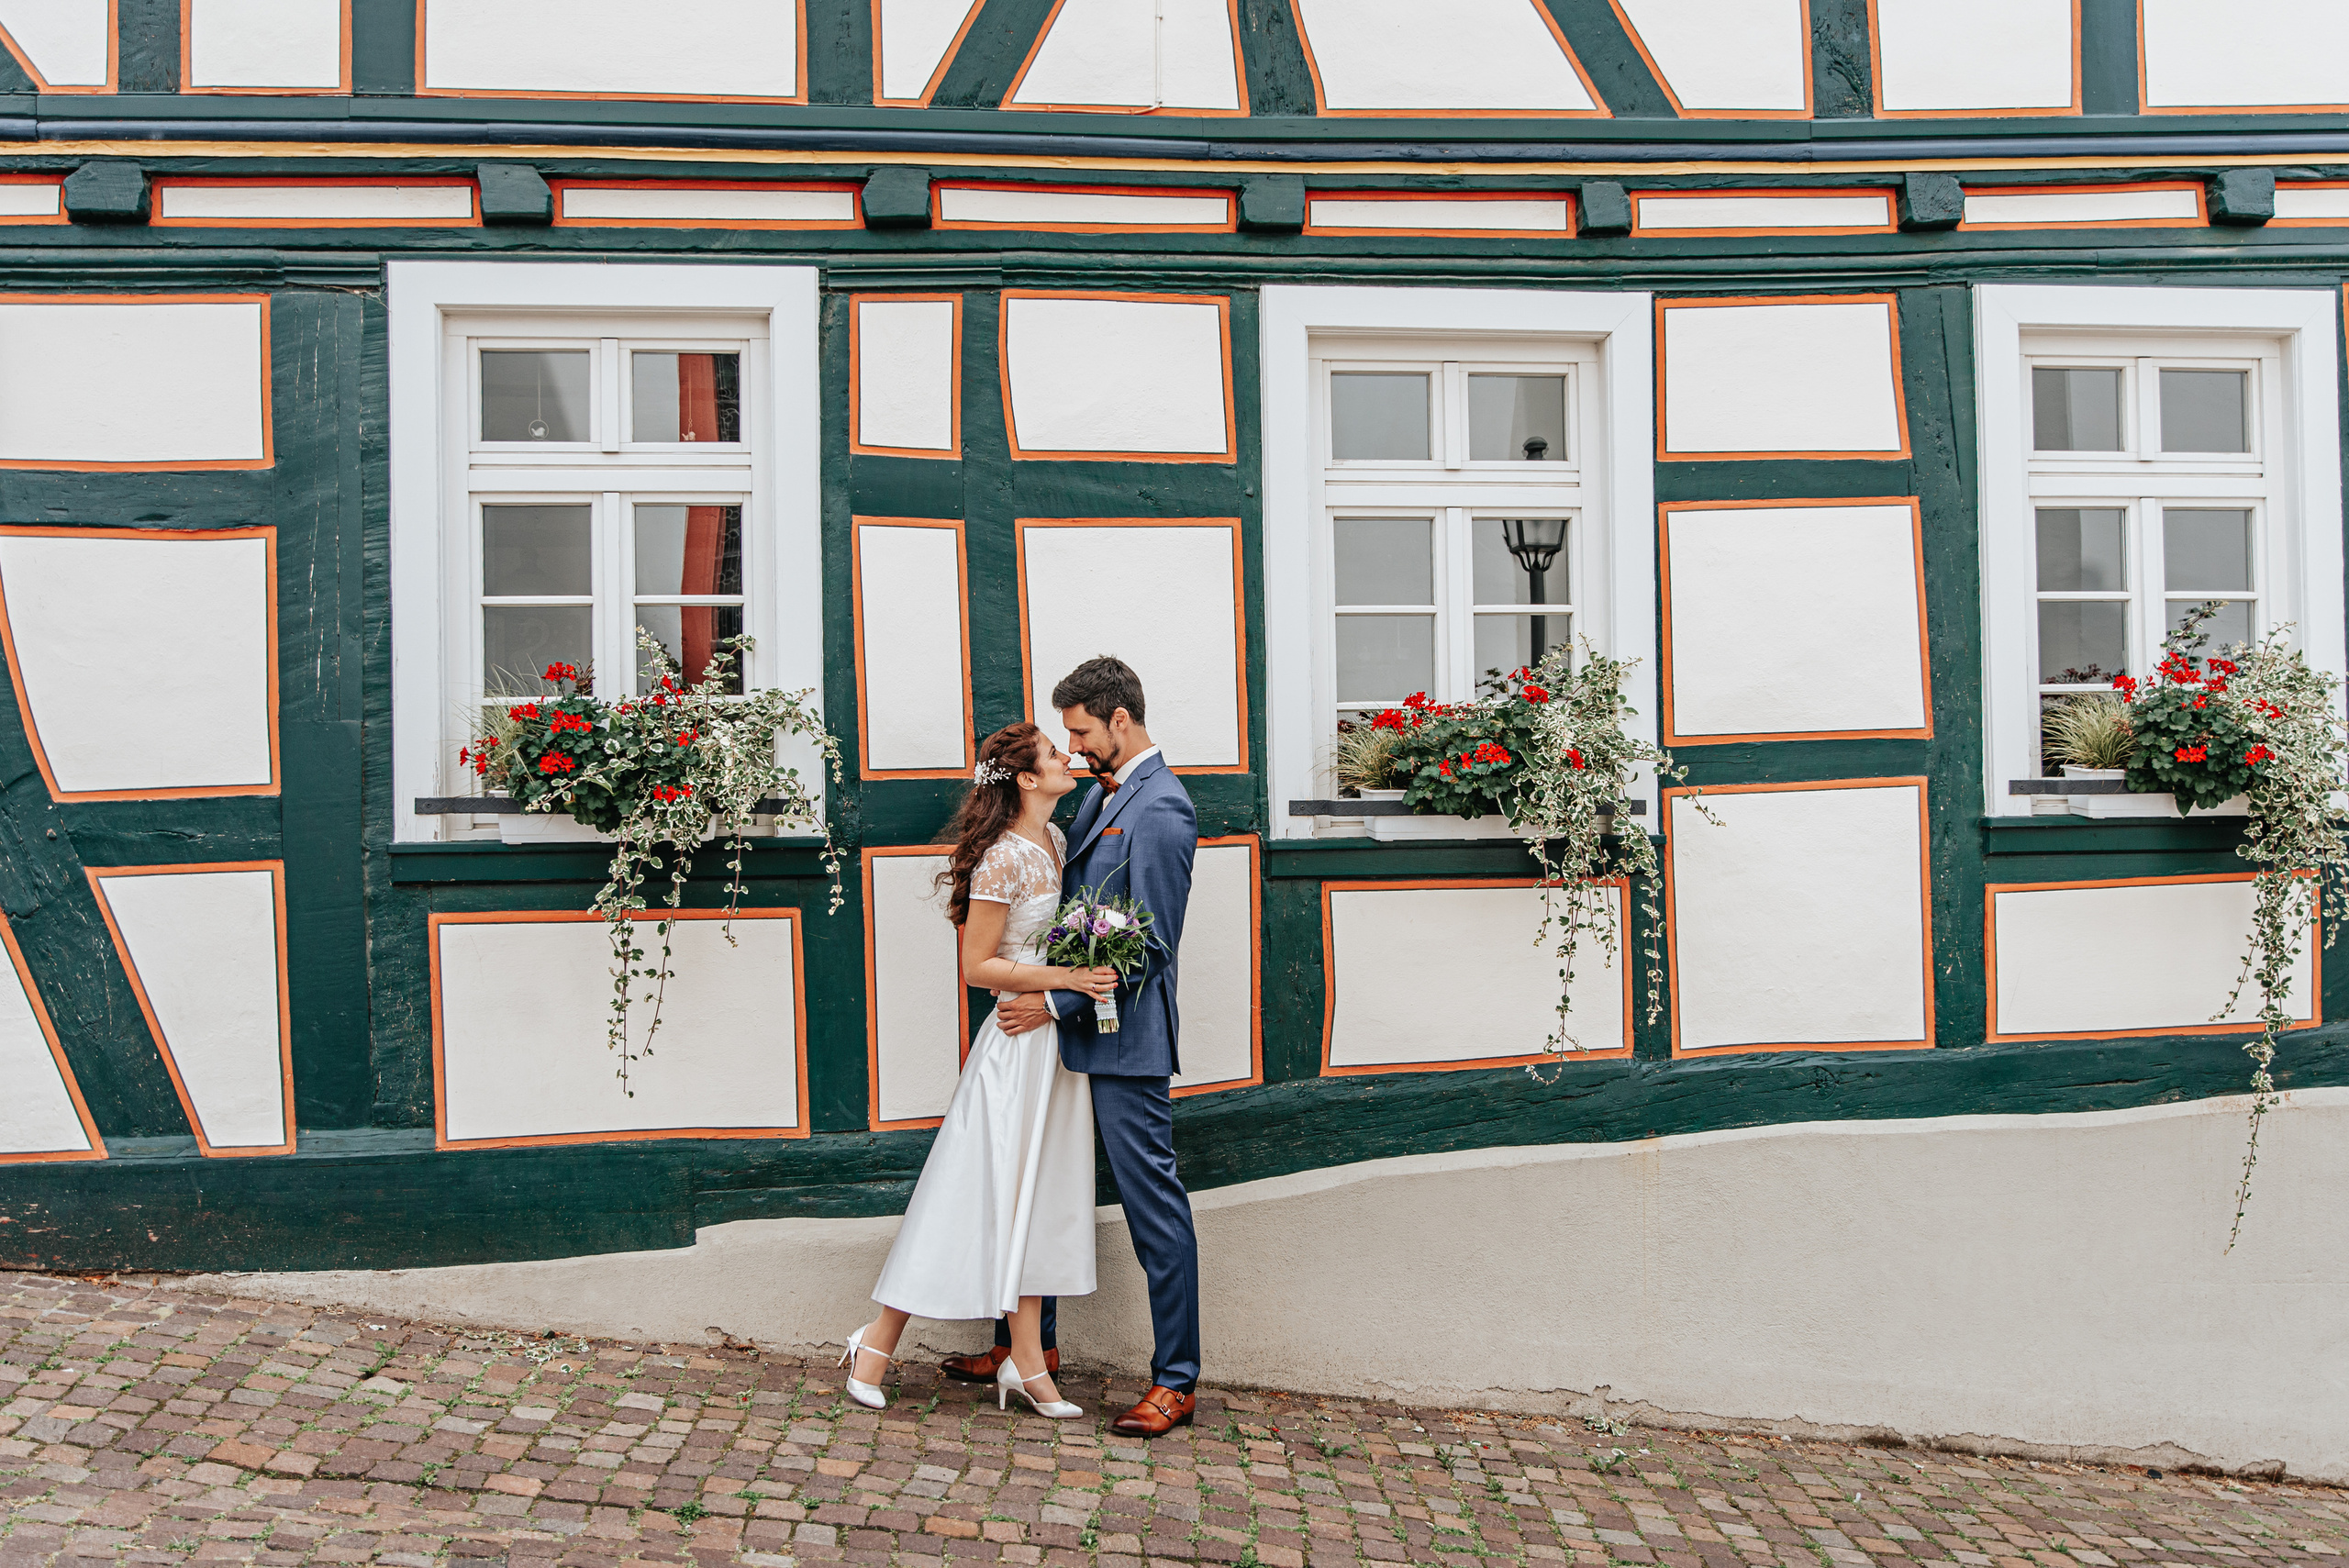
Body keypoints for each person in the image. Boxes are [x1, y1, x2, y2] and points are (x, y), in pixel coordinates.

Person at [941, 656, 1204, 1438]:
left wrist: (1053, 999)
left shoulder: (1162, 809)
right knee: (1033, 1181)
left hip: (1124, 1041)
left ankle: (1177, 1380)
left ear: (1120, 719)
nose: (1077, 746)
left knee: (1153, 1204)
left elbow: (1150, 945)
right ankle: (1022, 1348)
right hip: (1061, 1034)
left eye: (1083, 731)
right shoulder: (1096, 795)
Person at [838, 723, 1118, 1418]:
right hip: (1011, 1053)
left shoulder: (1054, 842)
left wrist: (1062, 990)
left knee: (1037, 1198)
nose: (1069, 759)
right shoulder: (1003, 859)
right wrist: (1072, 976)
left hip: (1052, 1050)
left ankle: (1027, 1364)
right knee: (967, 1193)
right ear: (1026, 778)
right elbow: (977, 967)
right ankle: (875, 1342)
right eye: (1056, 754)